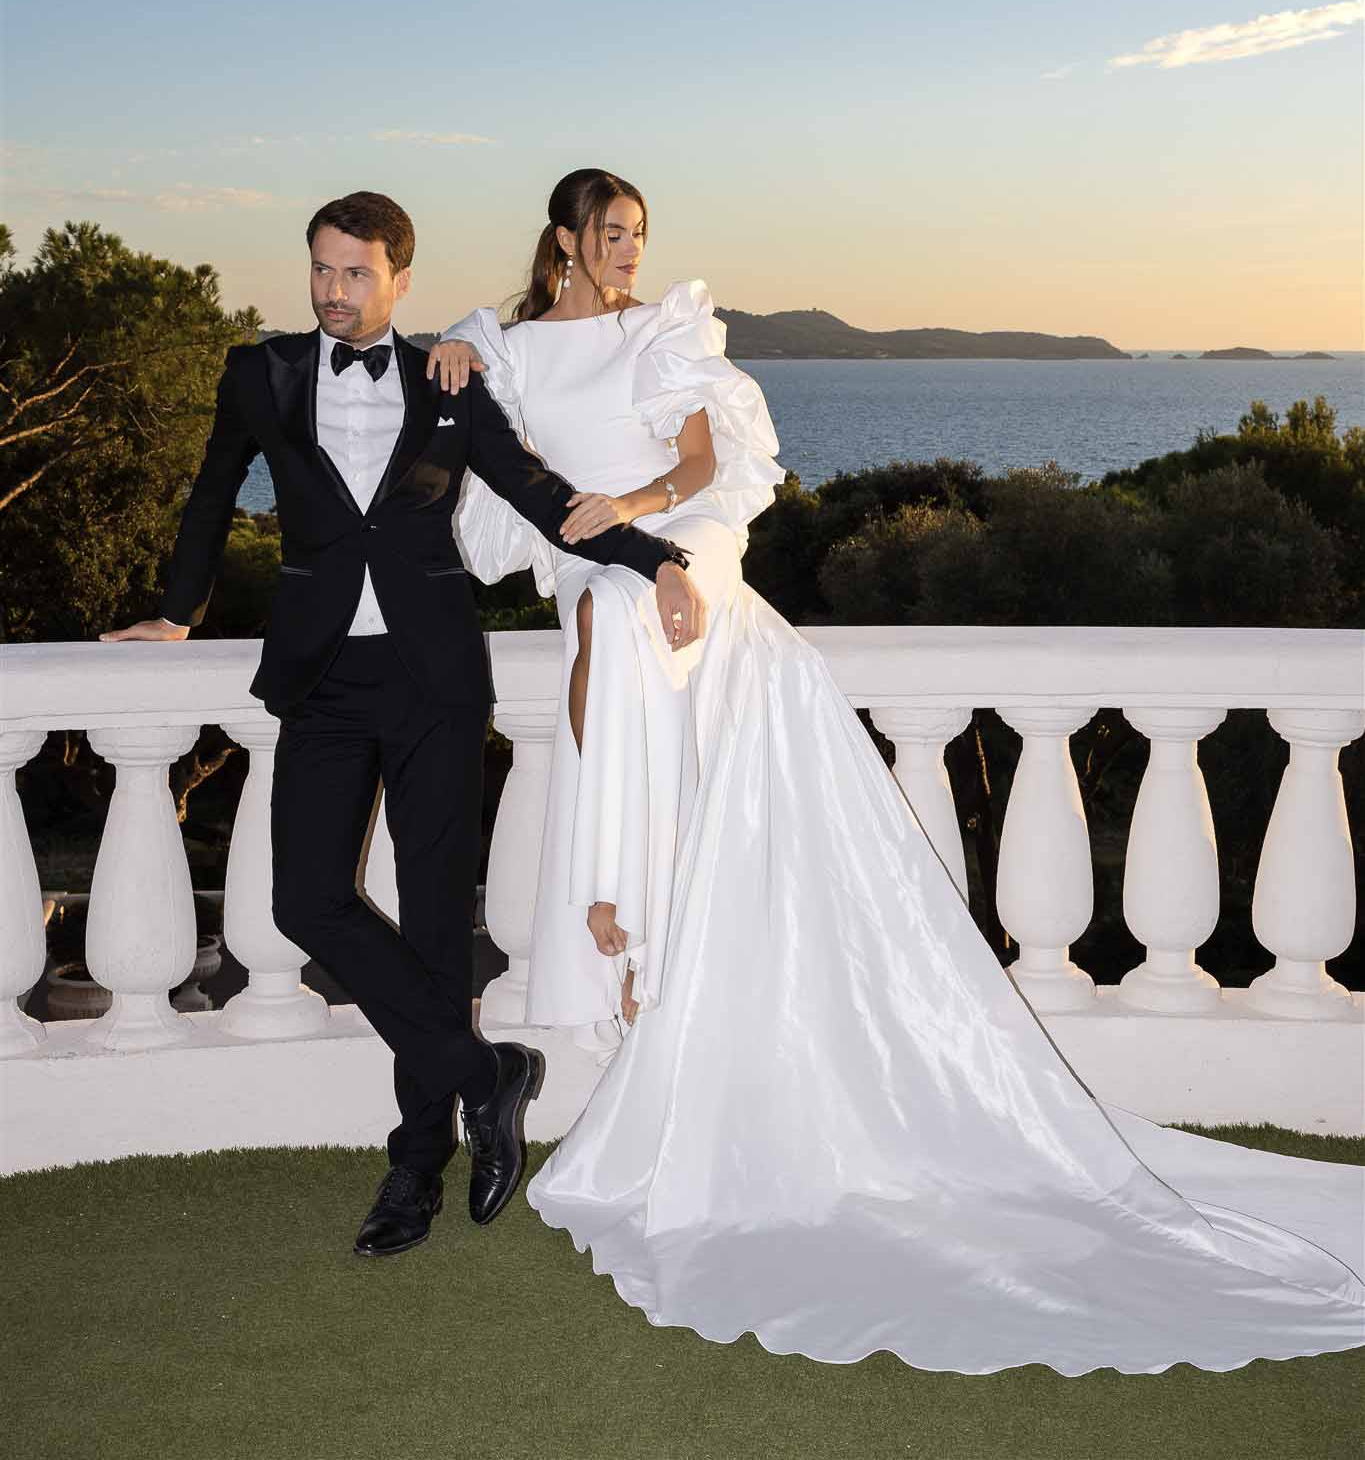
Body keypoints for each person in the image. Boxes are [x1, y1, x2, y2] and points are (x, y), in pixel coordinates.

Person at [428, 165, 1365, 1374]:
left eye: (640, 235)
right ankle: (648, 1038)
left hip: (670, 568)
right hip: (596, 591)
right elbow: (467, 393)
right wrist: (454, 343)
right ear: (563, 238)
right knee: (623, 723)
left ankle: (653, 1015)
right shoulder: (504, 346)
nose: (629, 254)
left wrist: (638, 515)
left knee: (653, 727)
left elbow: (712, 458)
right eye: (610, 236)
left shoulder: (664, 332)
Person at [101, 189, 704, 1262]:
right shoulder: (264, 374)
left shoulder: (445, 379)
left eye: (355, 274)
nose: (334, 292)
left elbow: (536, 490)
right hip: (323, 677)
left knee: (433, 925)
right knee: (305, 898)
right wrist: (179, 609)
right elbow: (207, 495)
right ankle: (489, 1075)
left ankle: (415, 1163)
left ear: (400, 280)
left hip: (434, 680)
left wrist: (657, 559)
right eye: (321, 271)